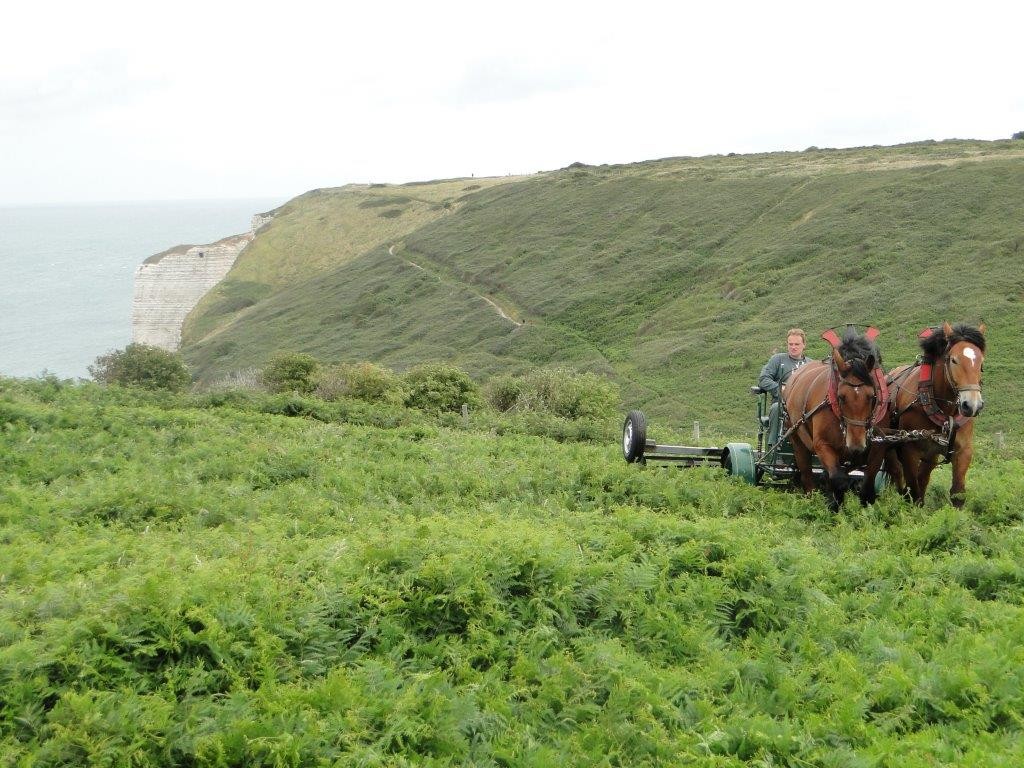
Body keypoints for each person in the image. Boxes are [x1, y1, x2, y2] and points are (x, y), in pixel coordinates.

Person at [758, 328, 809, 447]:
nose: (793, 347)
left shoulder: (810, 365)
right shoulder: (778, 359)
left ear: (804, 345)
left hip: (805, 407)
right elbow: (763, 379)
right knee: (776, 408)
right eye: (790, 344)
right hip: (782, 404)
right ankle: (774, 447)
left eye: (797, 344)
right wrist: (780, 389)